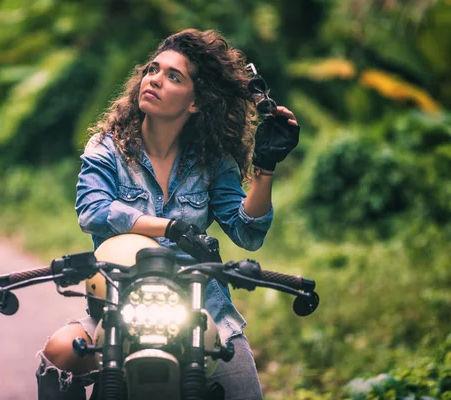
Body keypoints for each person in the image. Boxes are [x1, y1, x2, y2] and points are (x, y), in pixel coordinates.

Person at [36, 28, 300, 400]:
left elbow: (247, 232)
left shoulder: (213, 163)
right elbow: (93, 210)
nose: (155, 80)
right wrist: (172, 228)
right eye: (153, 70)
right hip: (118, 306)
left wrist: (266, 168)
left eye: (173, 76)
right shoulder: (107, 148)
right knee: (59, 352)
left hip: (200, 309)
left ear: (195, 102)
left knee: (246, 392)